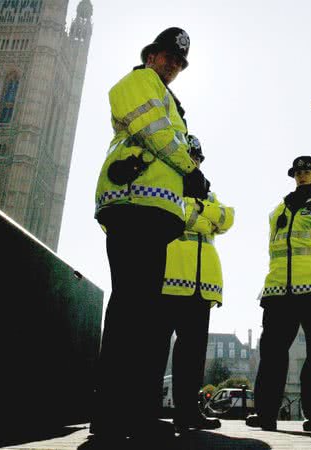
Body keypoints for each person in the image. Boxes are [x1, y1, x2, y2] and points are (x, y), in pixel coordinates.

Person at [90, 27, 209, 441]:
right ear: (152, 55)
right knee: (130, 311)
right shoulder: (139, 82)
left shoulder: (168, 98)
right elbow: (156, 134)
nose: (173, 66)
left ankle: (132, 410)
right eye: (168, 57)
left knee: (141, 313)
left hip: (153, 210)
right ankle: (110, 412)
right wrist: (191, 170)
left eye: (179, 62)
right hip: (133, 202)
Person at [245, 156, 311, 432]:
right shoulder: (277, 210)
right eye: (298, 172)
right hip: (279, 289)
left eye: (308, 171)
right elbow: (274, 250)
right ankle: (266, 413)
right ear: (293, 176)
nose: (303, 175)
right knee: (271, 352)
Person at [159, 134, 234, 433]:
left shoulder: (208, 193)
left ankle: (188, 412)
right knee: (153, 351)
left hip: (202, 283)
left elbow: (228, 218)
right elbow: (178, 214)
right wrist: (202, 212)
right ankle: (143, 411)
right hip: (167, 277)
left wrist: (200, 210)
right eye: (188, 157)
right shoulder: (165, 184)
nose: (193, 163)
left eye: (197, 158)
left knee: (193, 355)